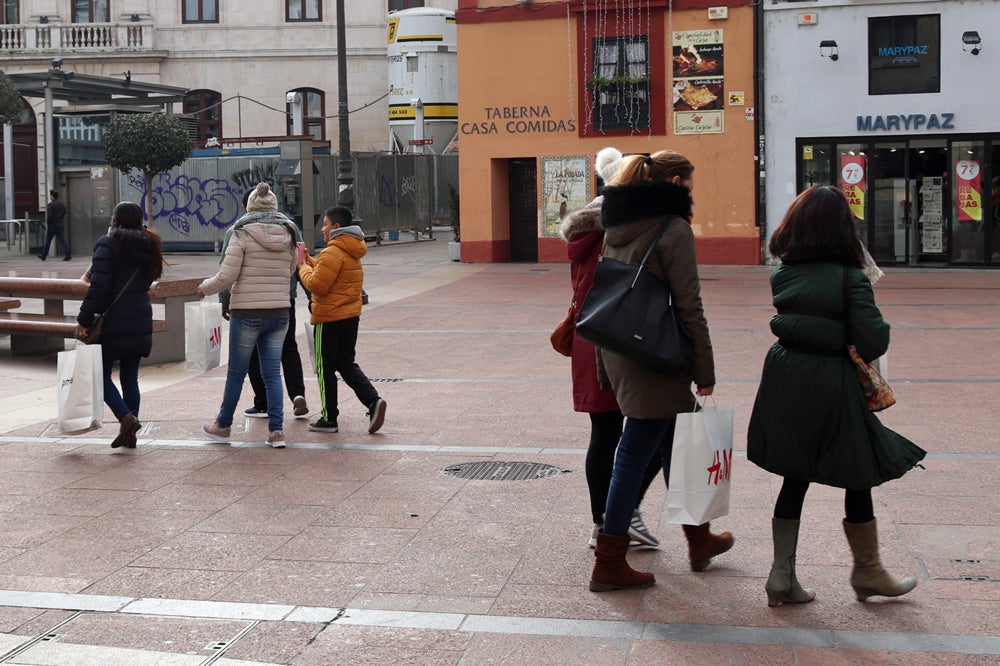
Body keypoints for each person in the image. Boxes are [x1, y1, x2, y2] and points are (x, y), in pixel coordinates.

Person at [747, 185, 926, 607]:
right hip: (832, 379)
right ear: (841, 229)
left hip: (786, 372)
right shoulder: (850, 278)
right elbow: (873, 340)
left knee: (796, 471)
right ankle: (868, 570)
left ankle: (781, 575)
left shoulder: (783, 273)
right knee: (857, 466)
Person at [589, 151, 733, 593]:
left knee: (675, 444)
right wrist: (704, 368)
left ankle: (699, 538)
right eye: (688, 186)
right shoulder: (673, 228)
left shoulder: (615, 223)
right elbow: (690, 304)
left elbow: (604, 291)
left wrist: (602, 366)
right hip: (654, 354)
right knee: (633, 455)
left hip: (621, 347)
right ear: (673, 182)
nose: (691, 194)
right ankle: (609, 560)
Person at [560, 147, 660, 550]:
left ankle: (603, 521)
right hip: (624, 337)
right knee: (656, 428)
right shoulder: (626, 228)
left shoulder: (584, 231)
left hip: (591, 335)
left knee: (604, 432)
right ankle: (622, 513)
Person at [198, 182, 300, 448]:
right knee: (272, 373)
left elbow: (227, 275)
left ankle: (223, 425)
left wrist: (205, 288)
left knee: (236, 372)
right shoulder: (289, 233)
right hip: (280, 312)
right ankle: (276, 431)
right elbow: (292, 269)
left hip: (248, 312)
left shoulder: (241, 233)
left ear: (250, 206)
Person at [75, 202, 162, 449]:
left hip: (114, 320)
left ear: (115, 220)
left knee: (99, 375)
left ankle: (126, 419)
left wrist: (83, 320)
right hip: (141, 316)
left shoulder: (108, 242)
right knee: (129, 376)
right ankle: (129, 434)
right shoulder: (150, 243)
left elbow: (99, 286)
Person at [220, 189, 310, 421]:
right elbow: (300, 263)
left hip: (248, 304)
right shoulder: (290, 228)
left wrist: (225, 302)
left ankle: (262, 403)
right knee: (288, 348)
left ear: (246, 207)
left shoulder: (237, 231)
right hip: (282, 300)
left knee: (250, 357)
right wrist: (311, 295)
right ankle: (297, 395)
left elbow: (226, 270)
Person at [298, 206, 387, 434]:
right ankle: (372, 401)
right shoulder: (350, 250)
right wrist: (308, 259)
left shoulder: (332, 252)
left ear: (336, 227)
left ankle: (329, 418)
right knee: (346, 364)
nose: (323, 229)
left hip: (328, 319)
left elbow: (318, 285)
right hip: (349, 318)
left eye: (325, 224)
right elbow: (328, 272)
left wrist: (301, 268)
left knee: (324, 368)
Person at [38, 189, 71, 261]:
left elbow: (49, 216)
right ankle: (68, 254)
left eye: (50, 195)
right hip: (60, 224)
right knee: (63, 240)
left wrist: (48, 223)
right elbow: (64, 212)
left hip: (52, 225)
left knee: (48, 241)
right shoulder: (61, 204)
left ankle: (43, 256)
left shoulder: (50, 205)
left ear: (52, 196)